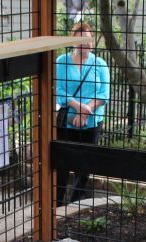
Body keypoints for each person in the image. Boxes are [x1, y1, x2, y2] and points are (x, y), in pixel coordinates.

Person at [55, 21, 110, 206]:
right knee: (62, 163)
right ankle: (58, 202)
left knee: (84, 165)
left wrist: (87, 111)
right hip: (67, 121)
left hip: (92, 121)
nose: (83, 44)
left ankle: (75, 204)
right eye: (79, 40)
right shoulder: (61, 62)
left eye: (87, 40)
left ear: (92, 42)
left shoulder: (100, 64)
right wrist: (78, 107)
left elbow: (104, 93)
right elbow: (59, 90)